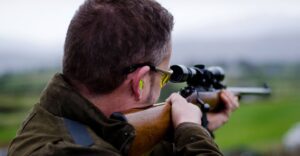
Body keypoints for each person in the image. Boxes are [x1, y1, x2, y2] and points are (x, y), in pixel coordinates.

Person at [8, 0, 239, 155]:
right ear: (140, 81)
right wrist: (191, 132)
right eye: (163, 78)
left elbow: (117, 144)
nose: (161, 86)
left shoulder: (54, 118)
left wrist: (198, 129)